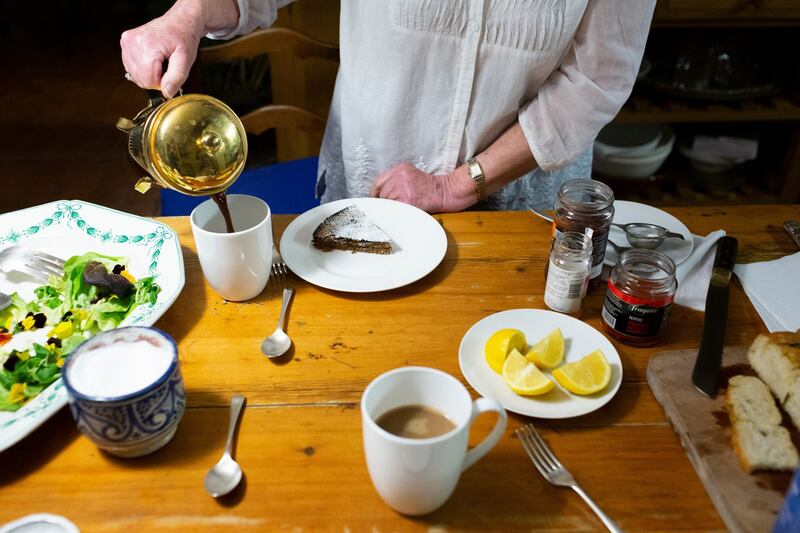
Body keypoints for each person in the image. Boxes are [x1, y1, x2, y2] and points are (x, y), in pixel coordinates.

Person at [121, 0, 656, 212]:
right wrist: (186, 15)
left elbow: (598, 76)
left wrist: (458, 182)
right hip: (374, 186)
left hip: (521, 198)